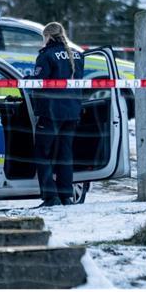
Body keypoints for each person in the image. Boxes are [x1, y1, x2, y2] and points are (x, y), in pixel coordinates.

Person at [33, 22, 85, 207]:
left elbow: (39, 82)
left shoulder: (46, 55)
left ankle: (50, 197)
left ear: (48, 36)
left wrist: (26, 82)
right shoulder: (77, 55)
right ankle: (66, 196)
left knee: (42, 153)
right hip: (72, 112)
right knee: (65, 154)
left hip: (51, 112)